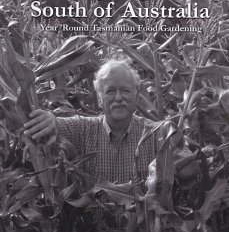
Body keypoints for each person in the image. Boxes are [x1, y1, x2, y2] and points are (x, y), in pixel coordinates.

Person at [24, 59, 157, 185]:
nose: (118, 97)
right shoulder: (83, 130)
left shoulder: (154, 134)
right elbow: (57, 125)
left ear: (137, 94)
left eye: (125, 90)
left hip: (142, 210)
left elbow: (174, 149)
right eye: (110, 91)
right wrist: (49, 120)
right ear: (99, 97)